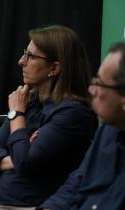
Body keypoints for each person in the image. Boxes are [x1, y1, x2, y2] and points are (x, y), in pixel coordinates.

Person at [0, 25, 95, 210]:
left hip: (20, 204)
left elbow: (26, 164)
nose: (21, 61)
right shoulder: (28, 99)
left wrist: (17, 115)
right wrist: (15, 157)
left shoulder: (72, 114)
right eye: (24, 53)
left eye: (31, 56)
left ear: (54, 68)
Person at [38, 42, 125, 210]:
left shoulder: (74, 112)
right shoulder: (108, 129)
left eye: (100, 83)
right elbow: (76, 182)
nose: (92, 90)